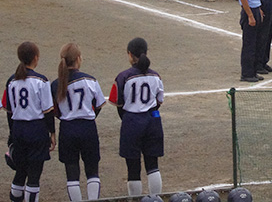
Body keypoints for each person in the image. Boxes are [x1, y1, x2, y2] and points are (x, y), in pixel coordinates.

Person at [108, 37, 165, 198]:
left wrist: (128, 119)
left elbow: (117, 103)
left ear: (130, 54)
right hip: (153, 122)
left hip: (132, 122)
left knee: (133, 168)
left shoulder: (123, 77)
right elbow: (159, 101)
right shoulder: (156, 76)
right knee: (153, 165)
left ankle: (136, 199)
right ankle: (155, 199)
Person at [51, 43, 105, 201]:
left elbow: (53, 110)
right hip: (88, 128)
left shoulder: (55, 84)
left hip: (67, 129)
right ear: (78, 59)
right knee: (92, 170)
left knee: (72, 173)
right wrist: (90, 115)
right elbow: (100, 104)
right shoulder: (90, 80)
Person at [3, 41, 56, 202]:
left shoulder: (11, 81)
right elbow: (48, 111)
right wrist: (52, 133)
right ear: (35, 58)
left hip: (19, 129)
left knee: (20, 171)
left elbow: (9, 111)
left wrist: (12, 133)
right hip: (36, 130)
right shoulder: (41, 81)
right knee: (34, 174)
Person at [236, 0, 266, 82]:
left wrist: (258, 9)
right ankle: (247, 73)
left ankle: (253, 71)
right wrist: (250, 16)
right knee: (249, 44)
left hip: (255, 9)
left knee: (255, 43)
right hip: (249, 12)